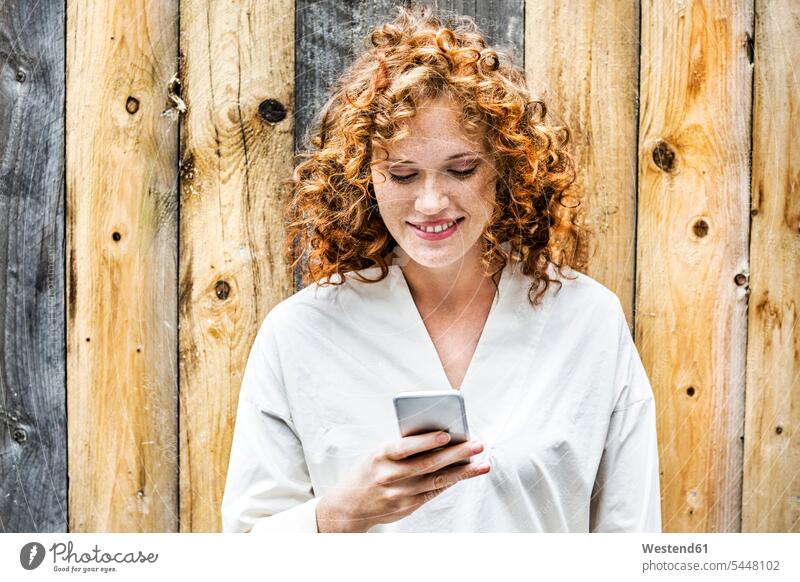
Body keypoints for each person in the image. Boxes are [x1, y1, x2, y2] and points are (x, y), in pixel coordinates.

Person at [220, 6, 662, 533]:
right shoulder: (299, 334)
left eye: (461, 169)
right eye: (403, 174)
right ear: (366, 178)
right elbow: (244, 549)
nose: (431, 202)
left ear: (505, 166)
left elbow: (630, 536)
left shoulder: (587, 321)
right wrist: (339, 514)